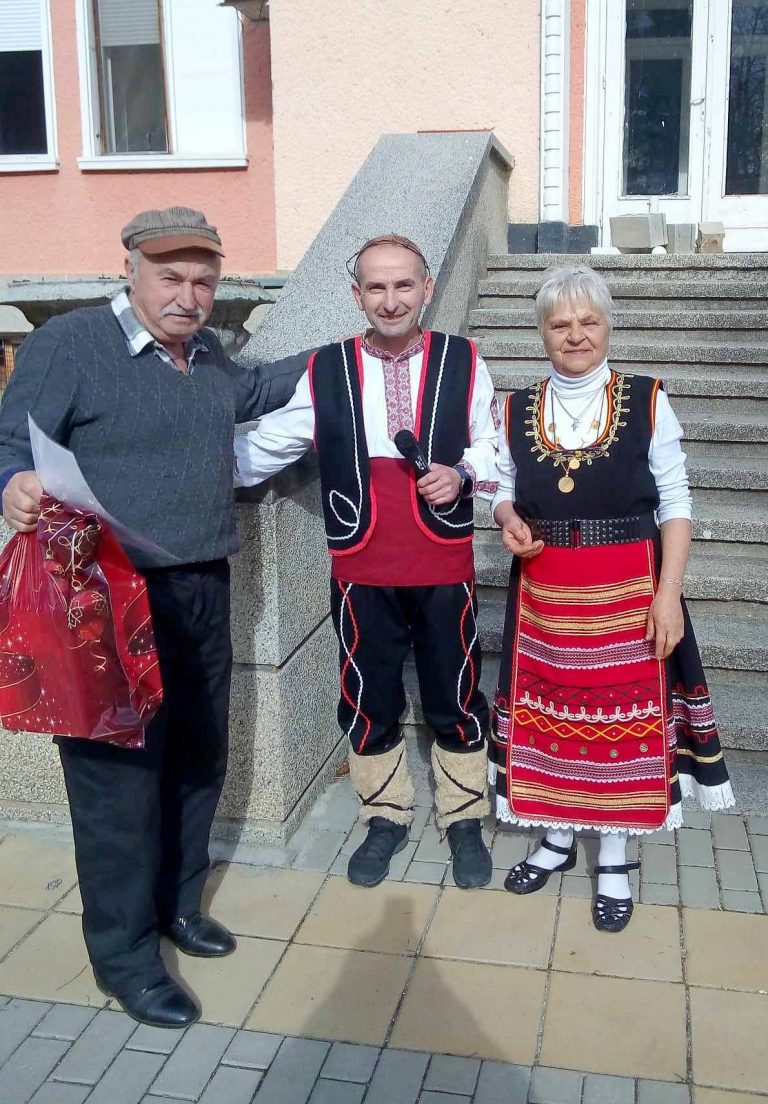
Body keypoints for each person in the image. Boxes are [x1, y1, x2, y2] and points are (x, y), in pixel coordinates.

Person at [0, 207, 309, 1026]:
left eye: (204, 281)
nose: (189, 295)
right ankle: (125, 956)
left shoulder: (209, 354)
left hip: (201, 586)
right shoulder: (70, 346)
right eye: (171, 277)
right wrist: (14, 486)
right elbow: (9, 442)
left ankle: (178, 905)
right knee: (115, 784)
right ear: (129, 268)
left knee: (199, 759)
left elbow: (264, 387)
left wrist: (374, 345)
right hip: (105, 598)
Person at [235, 233, 500, 890]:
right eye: (376, 287)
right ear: (357, 294)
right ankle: (386, 814)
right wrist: (184, 472)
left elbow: (492, 444)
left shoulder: (464, 359)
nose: (390, 299)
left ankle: (463, 816)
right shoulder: (325, 369)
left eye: (403, 285)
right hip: (361, 564)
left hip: (442, 560)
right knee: (368, 697)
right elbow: (268, 445)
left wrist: (463, 472)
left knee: (454, 693)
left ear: (427, 288)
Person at [490, 263, 734, 932]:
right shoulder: (513, 408)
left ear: (608, 327)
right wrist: (507, 518)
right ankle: (558, 835)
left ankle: (617, 852)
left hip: (629, 589)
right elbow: (502, 489)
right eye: (559, 323)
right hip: (545, 592)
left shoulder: (649, 400)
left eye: (587, 321)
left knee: (620, 725)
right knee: (553, 716)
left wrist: (669, 596)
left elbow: (677, 503)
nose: (575, 335)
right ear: (541, 332)